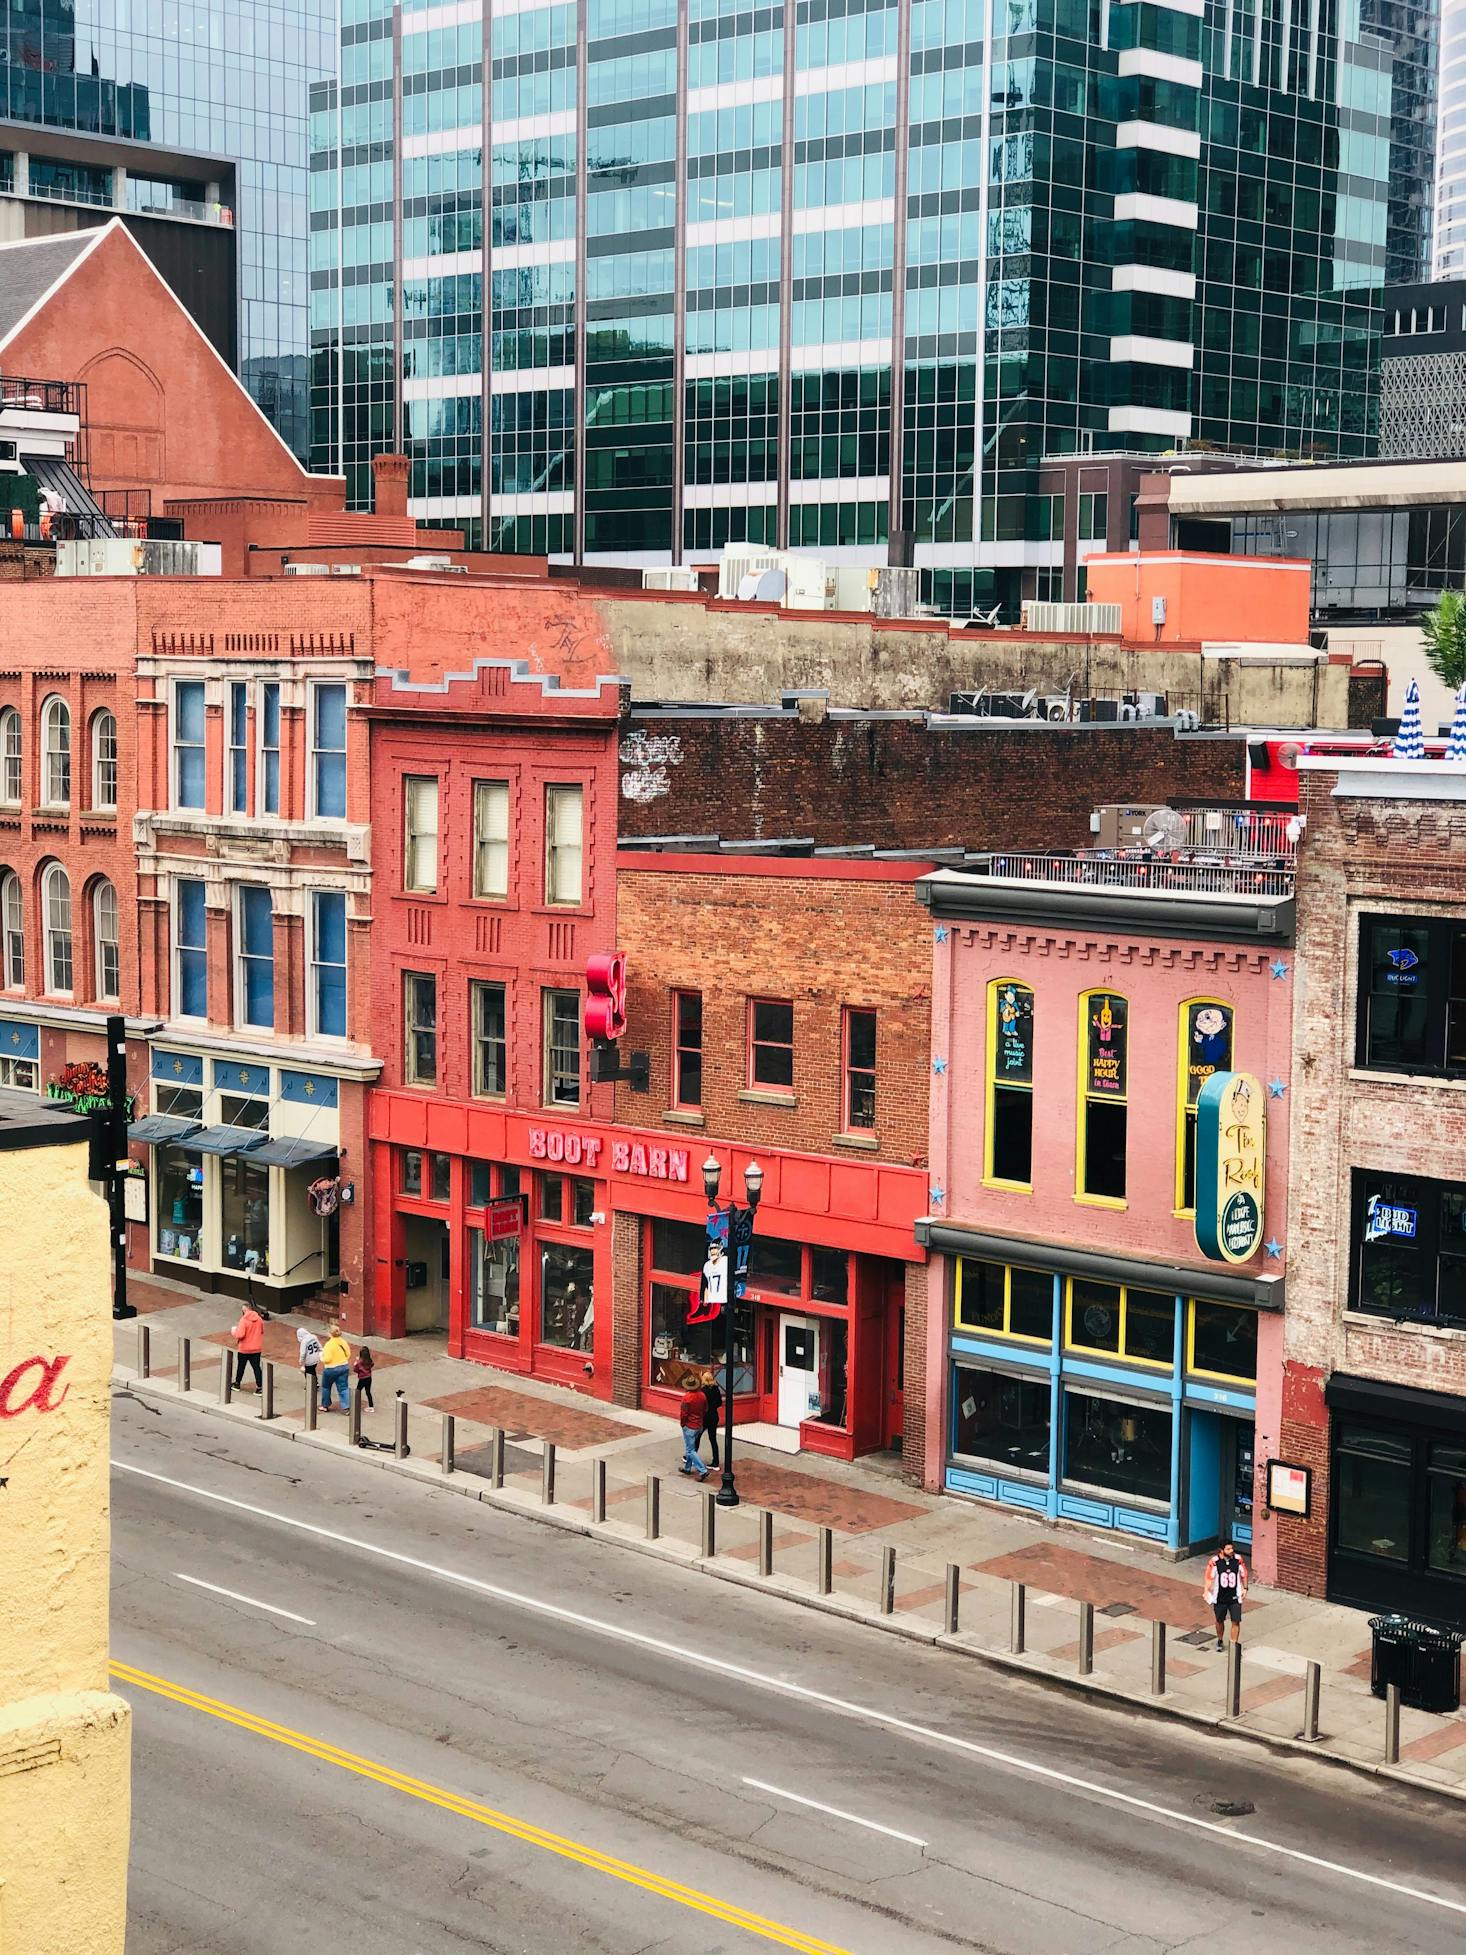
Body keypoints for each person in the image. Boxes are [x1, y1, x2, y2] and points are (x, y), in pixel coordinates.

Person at [1204, 1539, 1249, 1650]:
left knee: (1236, 1620)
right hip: (1220, 1597)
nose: (1231, 1551)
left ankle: (1233, 1643)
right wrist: (1206, 1590)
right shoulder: (1214, 1562)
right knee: (1219, 1621)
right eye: (1228, 1549)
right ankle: (1220, 1639)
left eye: (1231, 1548)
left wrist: (1245, 1588)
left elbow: (1244, 1574)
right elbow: (1209, 1577)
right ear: (1221, 1550)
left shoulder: (1238, 1559)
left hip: (1234, 1596)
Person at [230, 1300, 265, 1392]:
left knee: (241, 1366)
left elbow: (240, 1335)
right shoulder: (259, 1319)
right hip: (256, 1348)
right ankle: (260, 1387)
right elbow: (262, 1331)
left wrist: (234, 1332)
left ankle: (237, 1384)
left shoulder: (243, 1320)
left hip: (244, 1349)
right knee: (256, 1367)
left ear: (244, 1310)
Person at [678, 1384, 710, 1479]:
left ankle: (703, 1470)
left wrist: (683, 1424)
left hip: (689, 1426)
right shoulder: (702, 1395)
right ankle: (687, 1468)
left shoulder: (686, 1398)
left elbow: (683, 1414)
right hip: (699, 1425)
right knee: (691, 1447)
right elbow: (705, 1409)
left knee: (690, 1450)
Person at [319, 1320, 352, 1412]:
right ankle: (346, 1407)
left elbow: (327, 1359)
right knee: (343, 1387)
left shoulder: (329, 1345)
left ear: (330, 1334)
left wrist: (321, 1357)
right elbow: (348, 1354)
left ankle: (325, 1405)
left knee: (326, 1387)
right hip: (344, 1366)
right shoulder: (343, 1342)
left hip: (331, 1369)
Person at [699, 1369, 722, 1468]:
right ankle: (715, 1461)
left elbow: (701, 1405)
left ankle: (691, 1456)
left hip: (705, 1417)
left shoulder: (703, 1391)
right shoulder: (716, 1389)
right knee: (713, 1439)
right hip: (714, 1416)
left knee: (697, 1437)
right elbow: (719, 1403)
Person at [296, 1323, 322, 1391]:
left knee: (307, 1372)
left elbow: (303, 1353)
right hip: (316, 1358)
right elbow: (319, 1346)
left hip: (309, 1360)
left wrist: (301, 1361)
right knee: (312, 1370)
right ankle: (315, 1382)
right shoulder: (313, 1336)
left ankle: (311, 1385)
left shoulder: (304, 1342)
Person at [352, 1344, 375, 1411]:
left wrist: (355, 1362)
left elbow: (355, 1370)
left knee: (358, 1391)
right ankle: (371, 1406)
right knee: (368, 1392)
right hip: (369, 1377)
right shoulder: (369, 1360)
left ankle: (355, 1404)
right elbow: (372, 1364)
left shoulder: (359, 1362)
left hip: (362, 1378)